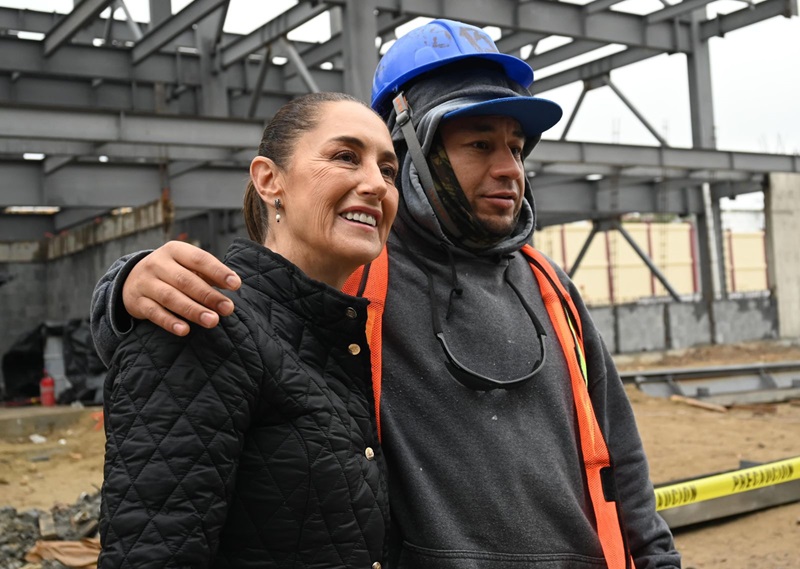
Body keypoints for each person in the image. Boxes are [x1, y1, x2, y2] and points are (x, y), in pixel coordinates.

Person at [92, 19, 681, 569]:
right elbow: (240, 306)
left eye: (517, 148)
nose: (510, 170)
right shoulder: (354, 272)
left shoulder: (551, 288)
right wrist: (123, 289)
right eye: (480, 145)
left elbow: (620, 456)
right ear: (414, 149)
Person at [97, 92, 399, 568]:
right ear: (269, 180)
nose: (376, 184)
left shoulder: (340, 338)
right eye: (345, 156)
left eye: (388, 170)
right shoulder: (204, 321)